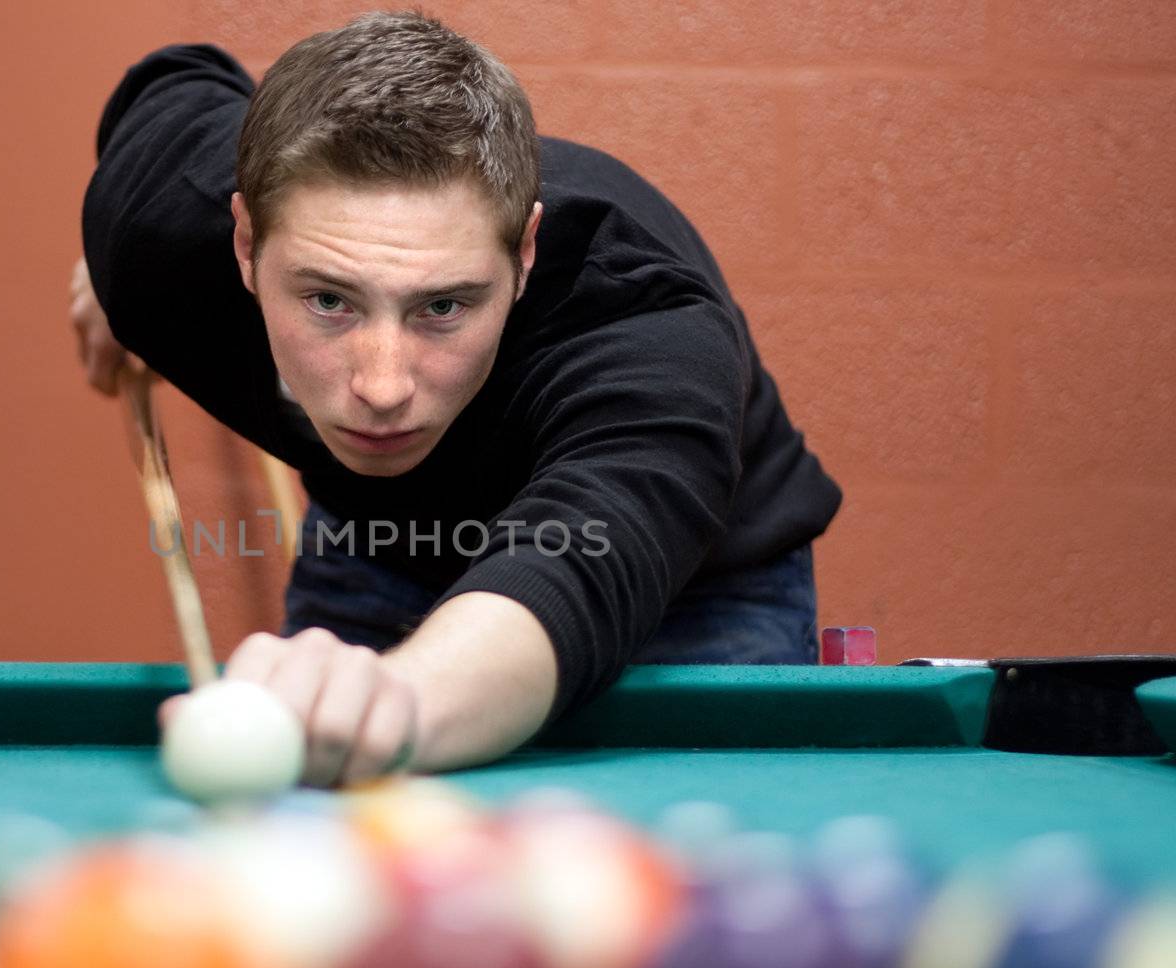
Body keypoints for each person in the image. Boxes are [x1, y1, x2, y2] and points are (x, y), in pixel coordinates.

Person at [70, 11, 841, 786]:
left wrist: (394, 703)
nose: (382, 386)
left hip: (683, 595)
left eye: (443, 307)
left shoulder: (644, 321)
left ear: (525, 254)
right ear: (243, 244)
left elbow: (572, 572)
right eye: (329, 301)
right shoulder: (155, 234)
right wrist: (125, 282)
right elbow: (174, 77)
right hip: (376, 545)